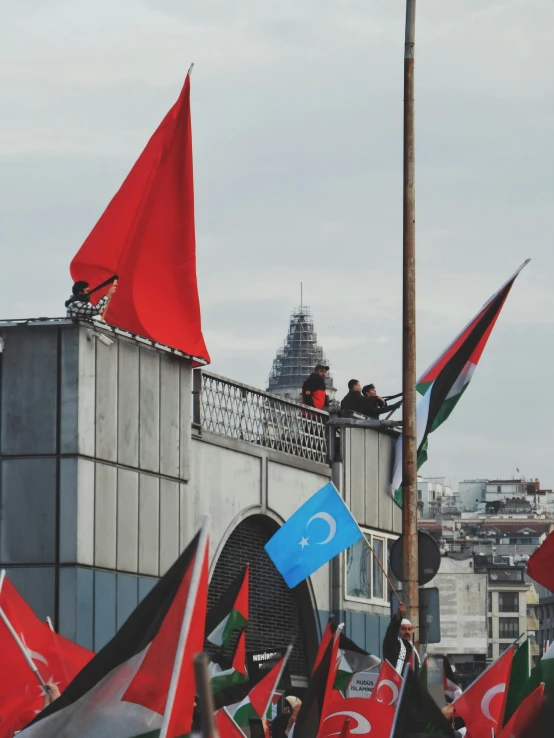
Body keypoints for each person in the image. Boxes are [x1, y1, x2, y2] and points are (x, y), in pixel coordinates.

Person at [382, 601, 420, 675]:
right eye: (403, 629)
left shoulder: (413, 649)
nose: (407, 632)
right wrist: (398, 615)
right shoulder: (393, 646)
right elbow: (391, 634)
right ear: (397, 630)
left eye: (409, 629)